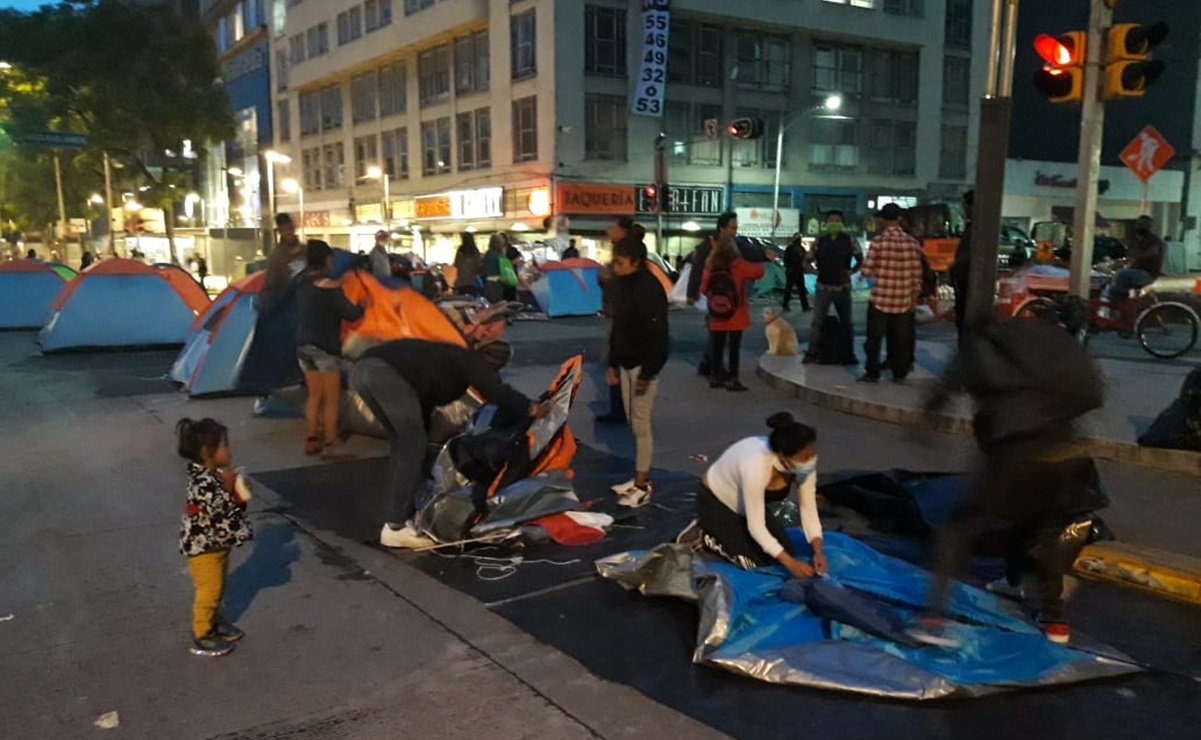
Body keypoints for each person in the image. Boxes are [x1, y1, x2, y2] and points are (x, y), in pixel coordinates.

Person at [917, 319, 1105, 647]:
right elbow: (1093, 388)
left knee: (958, 527)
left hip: (1014, 454)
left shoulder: (980, 345)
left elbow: (942, 394)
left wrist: (925, 424)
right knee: (1047, 529)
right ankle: (1055, 620)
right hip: (1068, 453)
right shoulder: (1053, 343)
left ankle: (933, 621)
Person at [350, 339, 548, 548]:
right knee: (412, 446)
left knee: (404, 446)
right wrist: (530, 407)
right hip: (384, 375)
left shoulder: (448, 359)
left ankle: (403, 510)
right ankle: (396, 527)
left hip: (364, 371)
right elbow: (496, 392)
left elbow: (421, 401)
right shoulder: (469, 360)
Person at [698, 412, 826, 577]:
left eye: (812, 454)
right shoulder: (756, 466)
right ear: (783, 455)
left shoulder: (804, 468)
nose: (811, 461)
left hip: (749, 507)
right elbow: (756, 527)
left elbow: (809, 510)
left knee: (786, 551)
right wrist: (791, 564)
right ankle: (705, 534)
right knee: (754, 565)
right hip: (717, 501)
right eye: (805, 457)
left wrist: (818, 551)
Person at [176, 417, 253, 657]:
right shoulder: (202, 481)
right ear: (208, 452)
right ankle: (201, 633)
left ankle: (215, 622)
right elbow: (219, 511)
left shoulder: (214, 475)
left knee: (218, 588)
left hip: (217, 545)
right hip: (203, 548)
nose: (229, 451)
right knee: (209, 590)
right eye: (224, 446)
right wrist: (229, 488)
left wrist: (238, 490)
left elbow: (233, 510)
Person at [606, 235, 669, 508]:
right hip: (625, 362)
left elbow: (659, 335)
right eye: (614, 262)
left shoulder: (649, 289)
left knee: (641, 425)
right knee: (633, 423)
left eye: (620, 262)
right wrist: (612, 363)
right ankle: (637, 479)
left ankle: (642, 486)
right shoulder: (622, 284)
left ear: (636, 262)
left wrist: (647, 374)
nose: (615, 267)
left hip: (643, 364)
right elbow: (617, 327)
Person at [296, 240, 367, 457]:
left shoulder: (301, 283)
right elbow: (352, 314)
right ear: (326, 260)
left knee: (314, 396)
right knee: (331, 398)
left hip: (303, 347)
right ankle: (330, 444)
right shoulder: (331, 290)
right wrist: (364, 302)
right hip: (326, 349)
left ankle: (311, 440)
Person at [859, 203, 924, 383]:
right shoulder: (913, 243)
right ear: (899, 219)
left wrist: (874, 273)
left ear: (883, 220)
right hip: (903, 300)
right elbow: (917, 274)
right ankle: (900, 372)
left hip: (880, 298)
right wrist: (913, 297)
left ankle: (872, 372)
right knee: (901, 339)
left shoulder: (878, 242)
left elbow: (866, 271)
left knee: (874, 338)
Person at [702, 235, 764, 392]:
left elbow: (703, 289)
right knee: (734, 348)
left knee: (717, 346)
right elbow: (759, 271)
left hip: (717, 313)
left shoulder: (710, 266)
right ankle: (733, 379)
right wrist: (761, 256)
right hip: (736, 313)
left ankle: (716, 377)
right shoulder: (738, 265)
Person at [803, 210, 863, 364]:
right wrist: (816, 272)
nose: (834, 223)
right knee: (817, 322)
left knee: (847, 323)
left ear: (842, 223)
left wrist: (852, 271)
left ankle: (849, 355)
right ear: (826, 223)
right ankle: (811, 353)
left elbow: (861, 261)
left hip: (843, 288)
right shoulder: (818, 242)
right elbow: (806, 262)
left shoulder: (850, 241)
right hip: (823, 288)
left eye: (837, 220)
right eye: (831, 220)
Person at [1107, 215, 1164, 302]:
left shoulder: (1154, 241)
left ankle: (1117, 301)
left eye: (1143, 224)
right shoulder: (1137, 240)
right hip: (1139, 272)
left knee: (1122, 275)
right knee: (1116, 277)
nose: (1140, 226)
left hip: (1148, 274)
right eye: (1139, 224)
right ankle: (1124, 300)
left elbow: (1151, 253)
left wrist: (1134, 258)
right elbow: (1130, 256)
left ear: (1149, 227)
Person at [949, 190, 974, 337]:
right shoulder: (971, 229)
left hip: (967, 288)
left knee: (965, 329)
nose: (963, 210)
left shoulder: (975, 231)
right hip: (965, 287)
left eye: (965, 206)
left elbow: (964, 260)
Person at [263, 213, 306, 299]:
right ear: (279, 231)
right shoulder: (275, 256)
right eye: (284, 230)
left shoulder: (306, 251)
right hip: (286, 300)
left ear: (294, 228)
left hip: (306, 297)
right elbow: (271, 284)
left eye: (290, 229)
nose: (288, 232)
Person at [781, 234, 811, 313]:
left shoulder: (801, 248)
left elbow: (804, 259)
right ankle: (785, 305)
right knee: (789, 288)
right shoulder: (791, 248)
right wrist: (790, 266)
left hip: (799, 270)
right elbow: (786, 259)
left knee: (801, 289)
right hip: (792, 270)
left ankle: (805, 306)